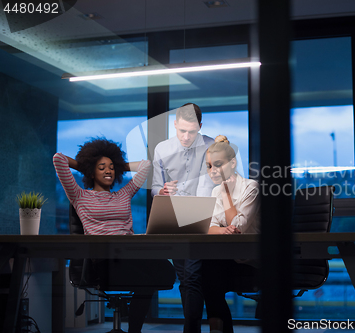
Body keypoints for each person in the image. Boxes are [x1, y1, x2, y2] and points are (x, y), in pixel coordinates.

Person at [53, 137, 176, 333]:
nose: (108, 171)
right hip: (103, 260)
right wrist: (87, 165)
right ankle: (135, 331)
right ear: (91, 172)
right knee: (146, 282)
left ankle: (133, 324)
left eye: (111, 167)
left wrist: (118, 165)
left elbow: (145, 165)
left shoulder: (123, 194)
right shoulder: (79, 196)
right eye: (101, 167)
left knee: (167, 272)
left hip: (131, 254)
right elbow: (58, 159)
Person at [151, 103, 214, 333]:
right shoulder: (162, 149)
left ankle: (191, 329)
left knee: (193, 276)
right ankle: (193, 327)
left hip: (201, 215)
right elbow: (155, 187)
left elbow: (215, 184)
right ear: (175, 125)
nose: (186, 137)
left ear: (200, 126)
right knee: (185, 278)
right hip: (174, 218)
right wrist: (162, 191)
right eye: (182, 131)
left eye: (192, 131)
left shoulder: (211, 145)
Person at [202, 135, 260, 333]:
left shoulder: (251, 188)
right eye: (209, 166)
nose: (213, 171)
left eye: (218, 164)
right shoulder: (215, 192)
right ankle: (218, 330)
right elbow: (208, 228)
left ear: (233, 163)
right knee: (208, 269)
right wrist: (220, 230)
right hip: (229, 259)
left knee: (209, 275)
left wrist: (226, 193)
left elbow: (238, 228)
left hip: (251, 261)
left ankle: (218, 329)